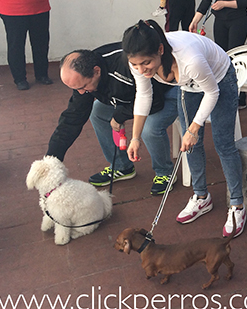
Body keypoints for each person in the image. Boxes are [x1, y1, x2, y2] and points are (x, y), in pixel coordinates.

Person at [122, 19, 246, 238]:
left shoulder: (190, 59)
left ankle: (237, 205)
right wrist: (135, 137)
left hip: (218, 78)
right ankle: (201, 197)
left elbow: (212, 93)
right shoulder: (139, 63)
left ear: (160, 50)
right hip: (188, 86)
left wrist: (193, 128)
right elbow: (143, 95)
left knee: (223, 143)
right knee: (190, 146)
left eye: (146, 63)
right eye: (135, 65)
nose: (141, 69)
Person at [47, 43, 179, 196]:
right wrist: (52, 160)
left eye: (83, 87)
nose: (81, 93)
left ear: (96, 71)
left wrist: (119, 116)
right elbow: (72, 118)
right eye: (76, 89)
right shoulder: (84, 76)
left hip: (167, 91)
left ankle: (164, 172)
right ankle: (122, 167)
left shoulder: (125, 67)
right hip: (132, 96)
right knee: (97, 112)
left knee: (149, 129)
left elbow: (153, 101)